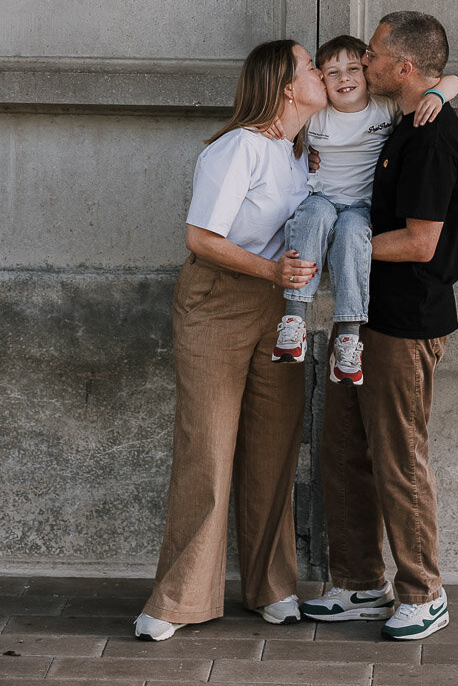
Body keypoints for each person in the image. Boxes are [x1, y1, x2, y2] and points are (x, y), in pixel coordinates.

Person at [135, 39, 327, 640]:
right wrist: (271, 270)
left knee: (274, 449)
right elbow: (201, 238)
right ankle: (179, 599)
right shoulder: (238, 146)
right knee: (208, 448)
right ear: (286, 86)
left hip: (281, 310)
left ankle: (273, 587)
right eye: (311, 66)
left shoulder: (301, 154)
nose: (323, 72)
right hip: (217, 302)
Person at [300, 12, 458, 641]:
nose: (363, 62)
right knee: (344, 451)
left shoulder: (431, 135)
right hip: (364, 317)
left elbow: (423, 243)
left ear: (403, 66)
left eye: (371, 53)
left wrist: (343, 246)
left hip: (406, 325)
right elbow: (450, 78)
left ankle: (424, 594)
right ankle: (359, 584)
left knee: (399, 459)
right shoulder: (404, 118)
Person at [272, 34, 458, 386]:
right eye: (332, 73)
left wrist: (437, 94)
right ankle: (294, 318)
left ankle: (348, 336)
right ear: (322, 81)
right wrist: (273, 127)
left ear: (366, 71)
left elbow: (454, 80)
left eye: (354, 68)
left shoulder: (384, 108)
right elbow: (282, 124)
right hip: (323, 198)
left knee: (352, 237)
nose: (344, 78)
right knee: (313, 217)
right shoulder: (317, 115)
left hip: (360, 207)